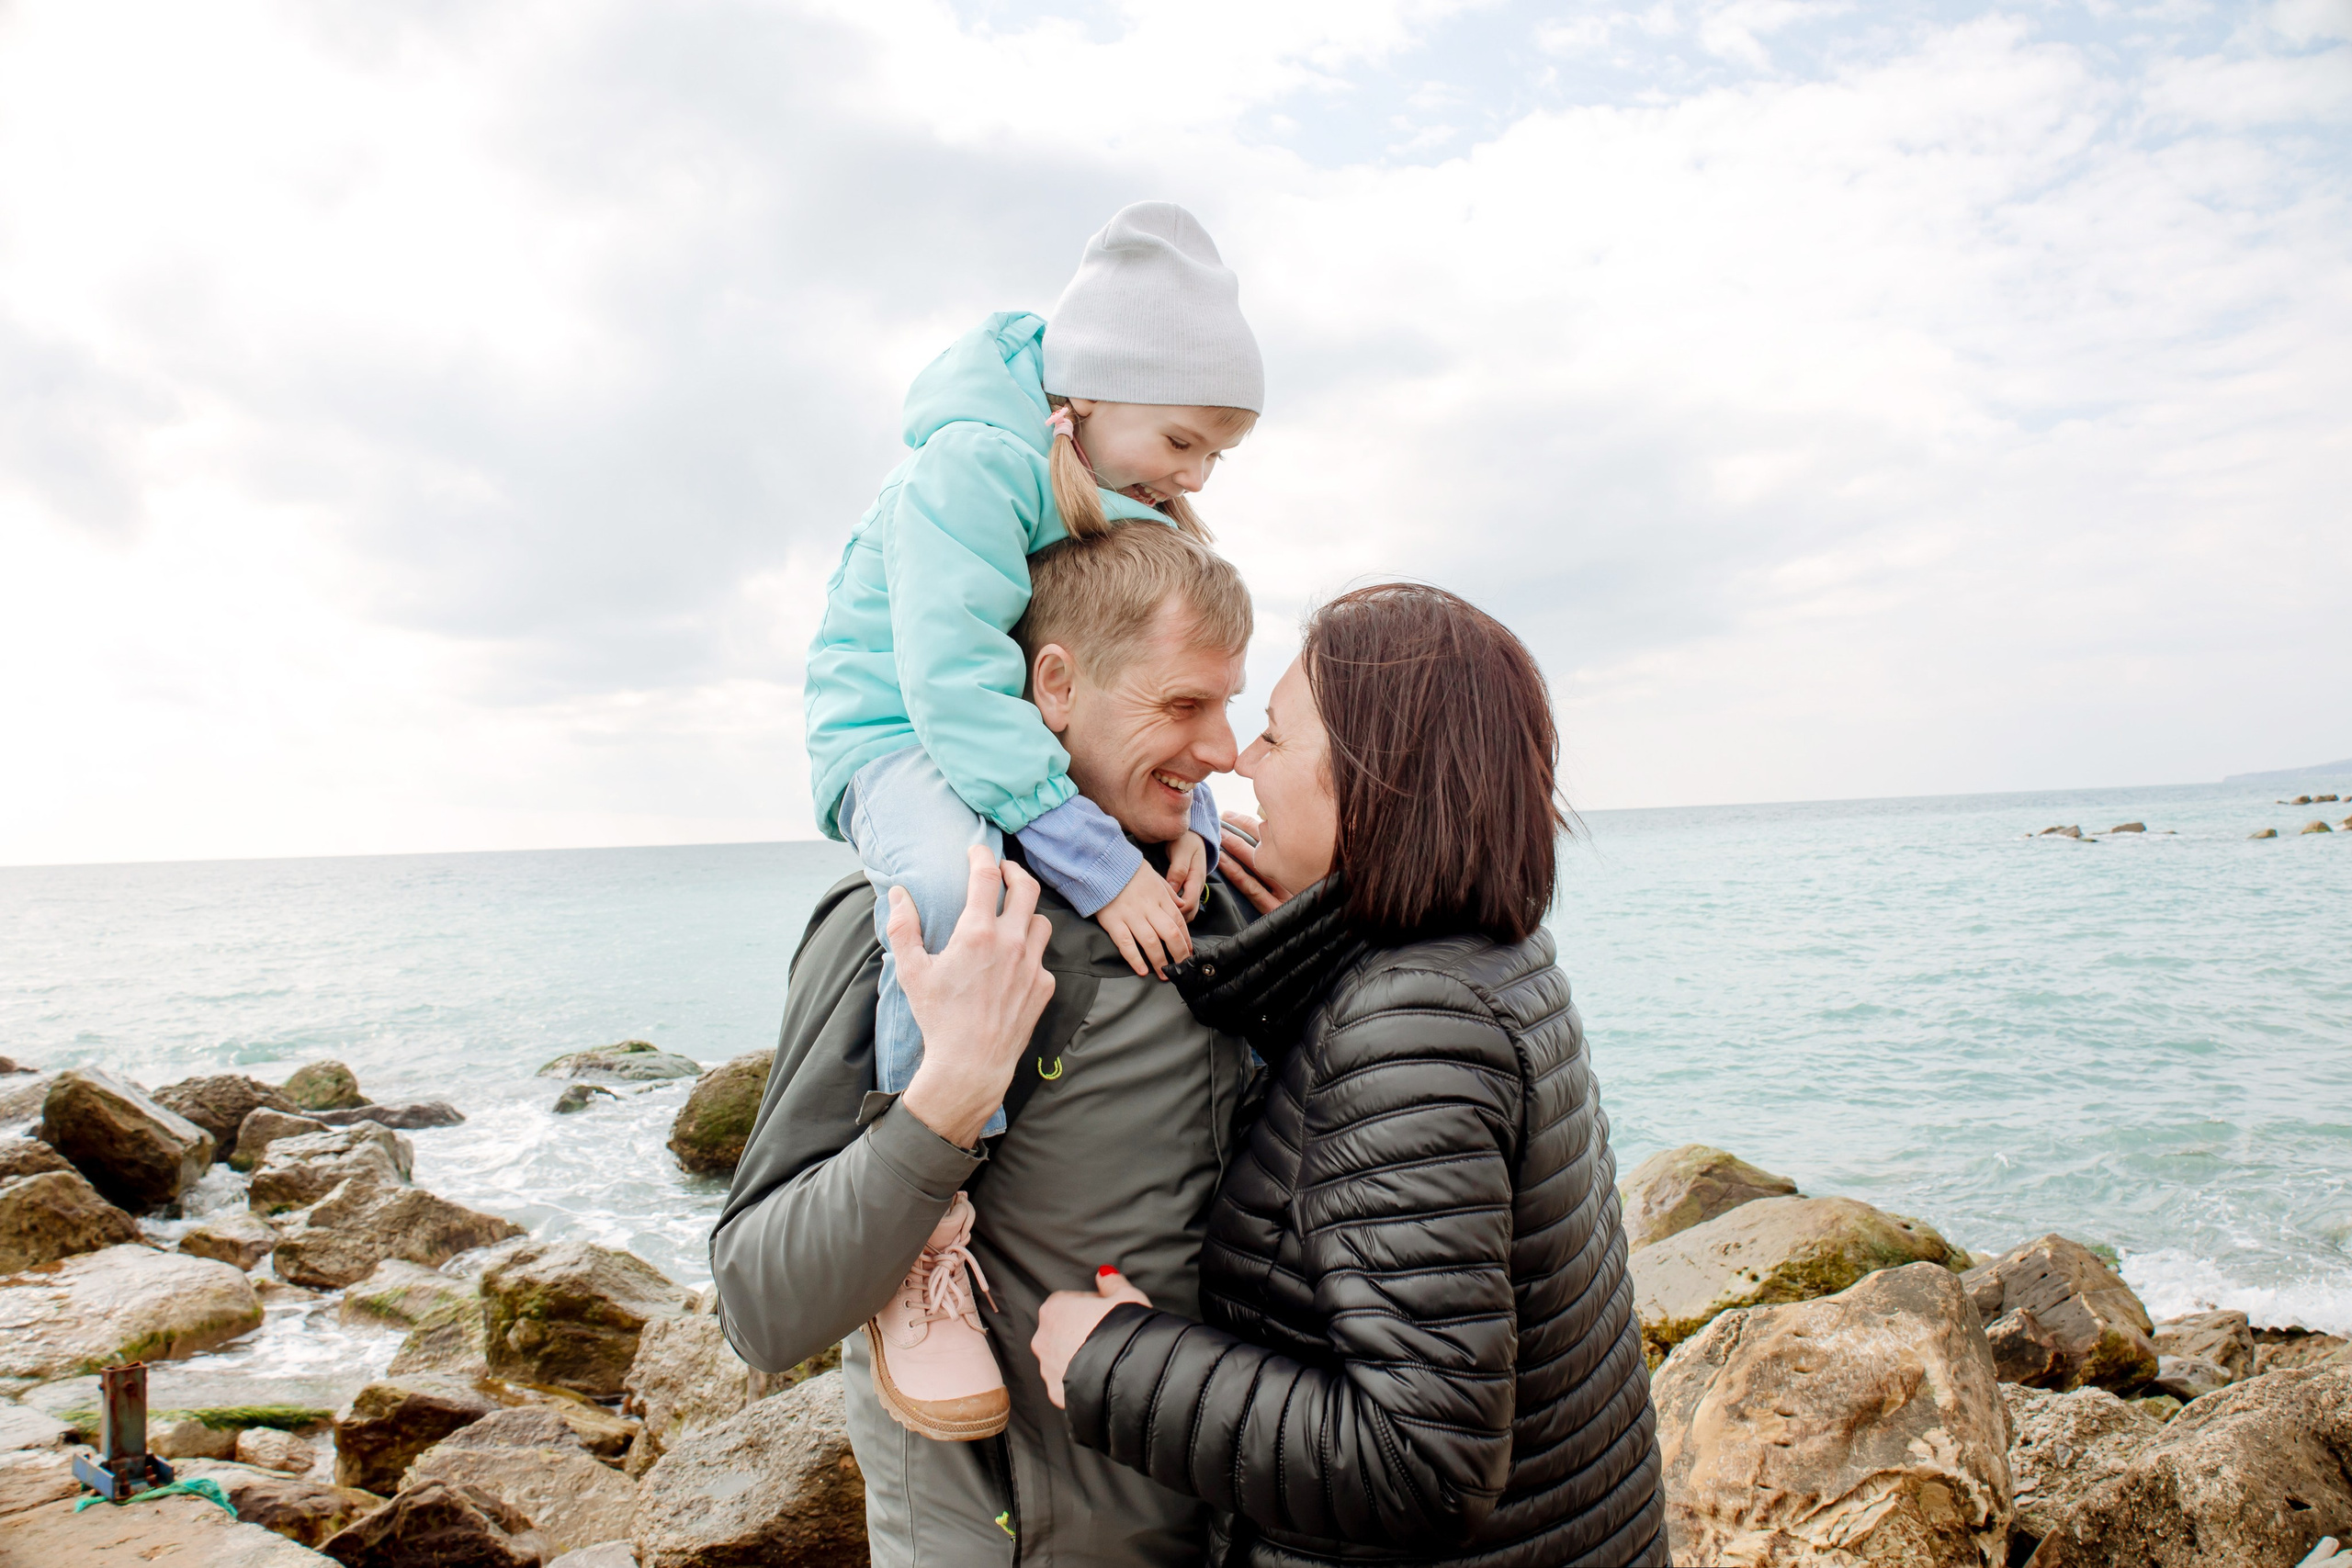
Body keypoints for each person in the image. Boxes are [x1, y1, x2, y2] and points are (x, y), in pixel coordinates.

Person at [1026, 584, 1668, 1566]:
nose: (1239, 758)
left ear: (1375, 786)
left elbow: (1424, 1464)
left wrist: (1115, 1363)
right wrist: (1300, 950)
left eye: (1277, 740)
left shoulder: (1415, 1024)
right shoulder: (1493, 956)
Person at [801, 199, 1262, 1440]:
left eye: (1219, 452)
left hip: (1007, 728)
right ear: (1091, 394)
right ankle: (919, 1244)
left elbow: (1165, 680)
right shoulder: (968, 465)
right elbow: (953, 685)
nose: (1196, 474)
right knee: (957, 892)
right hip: (895, 725)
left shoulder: (1126, 482)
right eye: (1184, 438)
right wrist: (1095, 861)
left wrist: (1195, 821)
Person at [714, 525, 1262, 1565]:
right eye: (1183, 706)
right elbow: (759, 1307)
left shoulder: (1230, 901)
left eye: (1232, 704)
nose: (1223, 751)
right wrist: (944, 1104)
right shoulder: (915, 925)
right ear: (1054, 685)